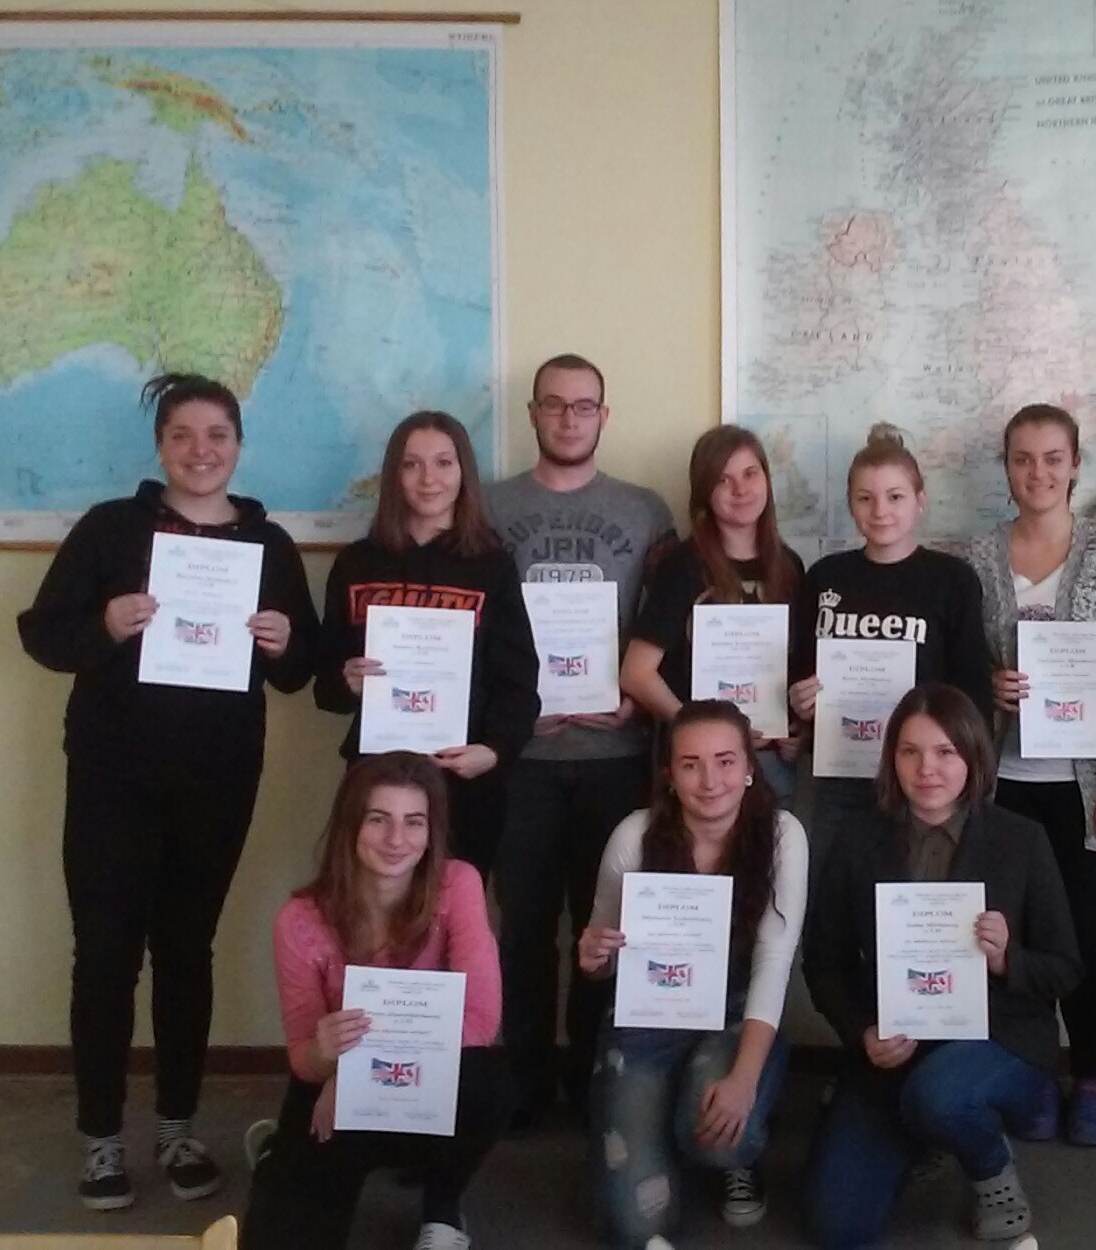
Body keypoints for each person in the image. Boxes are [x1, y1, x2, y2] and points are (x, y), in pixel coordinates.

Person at [18, 373, 318, 1211]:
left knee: (188, 951)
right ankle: (101, 1138)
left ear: (239, 445)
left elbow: (302, 670)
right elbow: (44, 635)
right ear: (159, 446)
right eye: (182, 434)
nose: (200, 450)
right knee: (105, 954)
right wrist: (105, 625)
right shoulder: (111, 529)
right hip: (111, 776)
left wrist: (285, 641)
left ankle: (179, 1130)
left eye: (217, 434)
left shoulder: (270, 546)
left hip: (217, 780)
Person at [802, 684, 1081, 1247]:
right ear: (892, 759)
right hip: (892, 1048)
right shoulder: (858, 840)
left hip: (999, 1039)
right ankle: (922, 1130)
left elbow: (1065, 968)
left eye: (945, 752)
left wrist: (1005, 960)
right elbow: (824, 962)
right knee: (838, 1227)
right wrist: (861, 1032)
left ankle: (991, 1167)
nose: (926, 768)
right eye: (910, 752)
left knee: (941, 1096)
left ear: (973, 757)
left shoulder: (1020, 840)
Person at [484, 353, 678, 1125]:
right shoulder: (487, 508)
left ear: (605, 414)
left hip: (615, 760)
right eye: (555, 405)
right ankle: (527, 1085)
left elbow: (672, 623)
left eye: (584, 405)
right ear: (533, 413)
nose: (569, 418)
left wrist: (638, 698)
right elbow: (470, 626)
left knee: (608, 930)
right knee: (525, 930)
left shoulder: (645, 511)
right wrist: (505, 709)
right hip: (522, 760)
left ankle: (597, 1081)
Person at [967, 403, 1096, 1146]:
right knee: (1012, 940)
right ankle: (1034, 1077)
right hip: (1002, 785)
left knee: (1083, 938)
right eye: (1022, 458)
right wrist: (986, 685)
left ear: (1076, 464)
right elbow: (955, 665)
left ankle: (1093, 1082)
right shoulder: (977, 559)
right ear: (1006, 467)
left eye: (1052, 458)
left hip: (1090, 789)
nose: (1037, 472)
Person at [242, 752, 509, 1250]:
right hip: (334, 1086)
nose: (396, 839)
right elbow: (302, 1056)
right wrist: (327, 1060)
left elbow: (480, 1020)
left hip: (417, 1078)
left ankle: (442, 1207)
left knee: (490, 1083)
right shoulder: (299, 919)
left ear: (431, 832)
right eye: (378, 819)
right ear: (350, 825)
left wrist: (354, 1069)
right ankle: (283, 1153)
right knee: (277, 1237)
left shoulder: (458, 884)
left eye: (414, 822)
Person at [577, 700, 809, 1245]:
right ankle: (662, 1121)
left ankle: (728, 1149)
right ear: (669, 774)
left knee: (721, 1138)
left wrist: (743, 1080)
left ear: (749, 767)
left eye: (726, 761)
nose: (710, 781)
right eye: (690, 764)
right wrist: (593, 957)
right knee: (634, 1225)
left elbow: (774, 962)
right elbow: (601, 955)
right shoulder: (634, 836)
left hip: (736, 1012)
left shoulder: (782, 835)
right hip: (646, 1018)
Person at [315, 411, 540, 876]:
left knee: (454, 908)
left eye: (443, 463)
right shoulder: (357, 563)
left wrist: (494, 751)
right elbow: (326, 689)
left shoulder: (491, 565)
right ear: (393, 475)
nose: (428, 479)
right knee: (372, 909)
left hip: (463, 781)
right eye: (411, 464)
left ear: (464, 473)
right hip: (375, 778)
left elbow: (518, 681)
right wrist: (346, 681)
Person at [790, 424, 996, 879]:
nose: (880, 510)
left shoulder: (952, 580)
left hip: (924, 778)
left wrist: (970, 778)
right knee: (831, 892)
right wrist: (799, 702)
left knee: (916, 899)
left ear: (920, 500)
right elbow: (800, 673)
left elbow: (972, 691)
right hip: (841, 774)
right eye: (865, 498)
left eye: (895, 496)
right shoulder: (825, 577)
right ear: (850, 504)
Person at [623, 426, 804, 802]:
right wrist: (704, 732)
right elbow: (636, 674)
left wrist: (798, 731)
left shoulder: (789, 566)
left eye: (750, 474)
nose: (741, 489)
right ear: (705, 490)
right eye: (723, 479)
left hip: (770, 764)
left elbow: (794, 668)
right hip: (700, 767)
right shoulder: (682, 566)